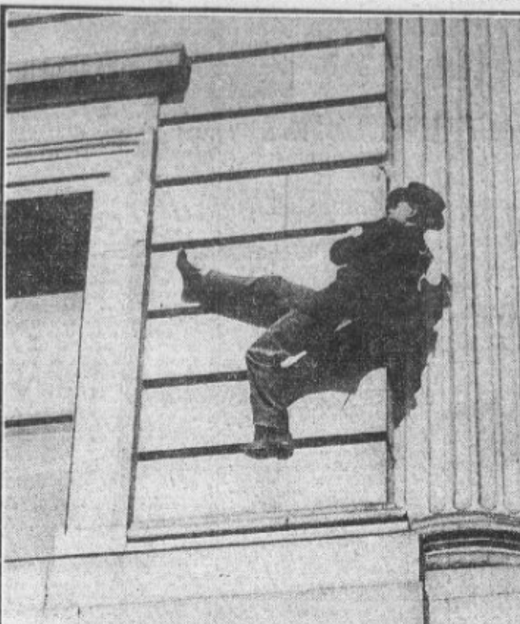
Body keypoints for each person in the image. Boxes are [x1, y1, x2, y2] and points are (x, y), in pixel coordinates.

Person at [176, 181, 449, 459]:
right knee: (273, 288)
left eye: (400, 202)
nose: (392, 206)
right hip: (337, 310)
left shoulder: (392, 233)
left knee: (259, 353)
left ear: (412, 210)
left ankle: (269, 433)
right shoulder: (419, 254)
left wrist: (357, 236)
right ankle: (200, 284)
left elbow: (338, 253)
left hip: (331, 312)